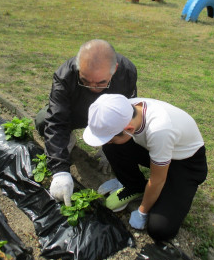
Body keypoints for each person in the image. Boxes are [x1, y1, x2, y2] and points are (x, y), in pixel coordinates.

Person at [82, 94, 208, 242]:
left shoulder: (160, 129)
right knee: (113, 147)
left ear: (128, 129)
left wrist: (142, 211)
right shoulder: (124, 109)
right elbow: (119, 140)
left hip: (185, 163)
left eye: (110, 138)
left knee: (160, 229)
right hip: (158, 150)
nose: (108, 142)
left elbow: (157, 180)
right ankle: (134, 186)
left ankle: (161, 192)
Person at [35, 39, 138, 206]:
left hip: (106, 116)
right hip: (77, 112)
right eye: (85, 81)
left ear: (115, 70)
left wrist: (111, 147)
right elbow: (57, 119)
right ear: (78, 67)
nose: (93, 88)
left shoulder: (127, 72)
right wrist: (59, 170)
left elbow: (126, 115)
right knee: (42, 120)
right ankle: (69, 139)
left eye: (101, 83)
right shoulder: (65, 75)